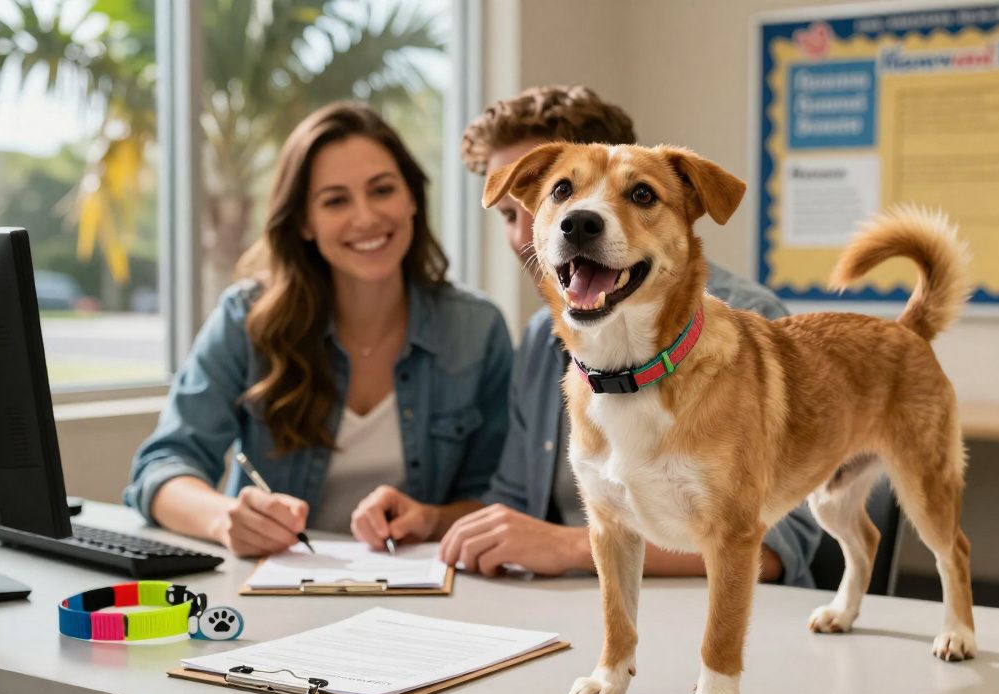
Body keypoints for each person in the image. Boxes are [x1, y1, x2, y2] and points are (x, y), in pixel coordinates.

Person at [351, 86, 823, 586]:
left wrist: (572, 546)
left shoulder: (745, 322)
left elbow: (779, 547)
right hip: (570, 617)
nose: (528, 232)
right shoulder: (544, 337)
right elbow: (514, 508)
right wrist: (432, 519)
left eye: (615, 193)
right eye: (519, 209)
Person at [123, 102, 512, 557]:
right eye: (335, 200)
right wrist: (224, 519)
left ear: (411, 198)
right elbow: (161, 468)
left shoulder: (477, 329)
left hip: (429, 594)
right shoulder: (246, 318)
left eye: (382, 190)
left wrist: (430, 518)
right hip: (277, 587)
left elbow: (499, 496)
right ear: (304, 222)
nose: (365, 217)